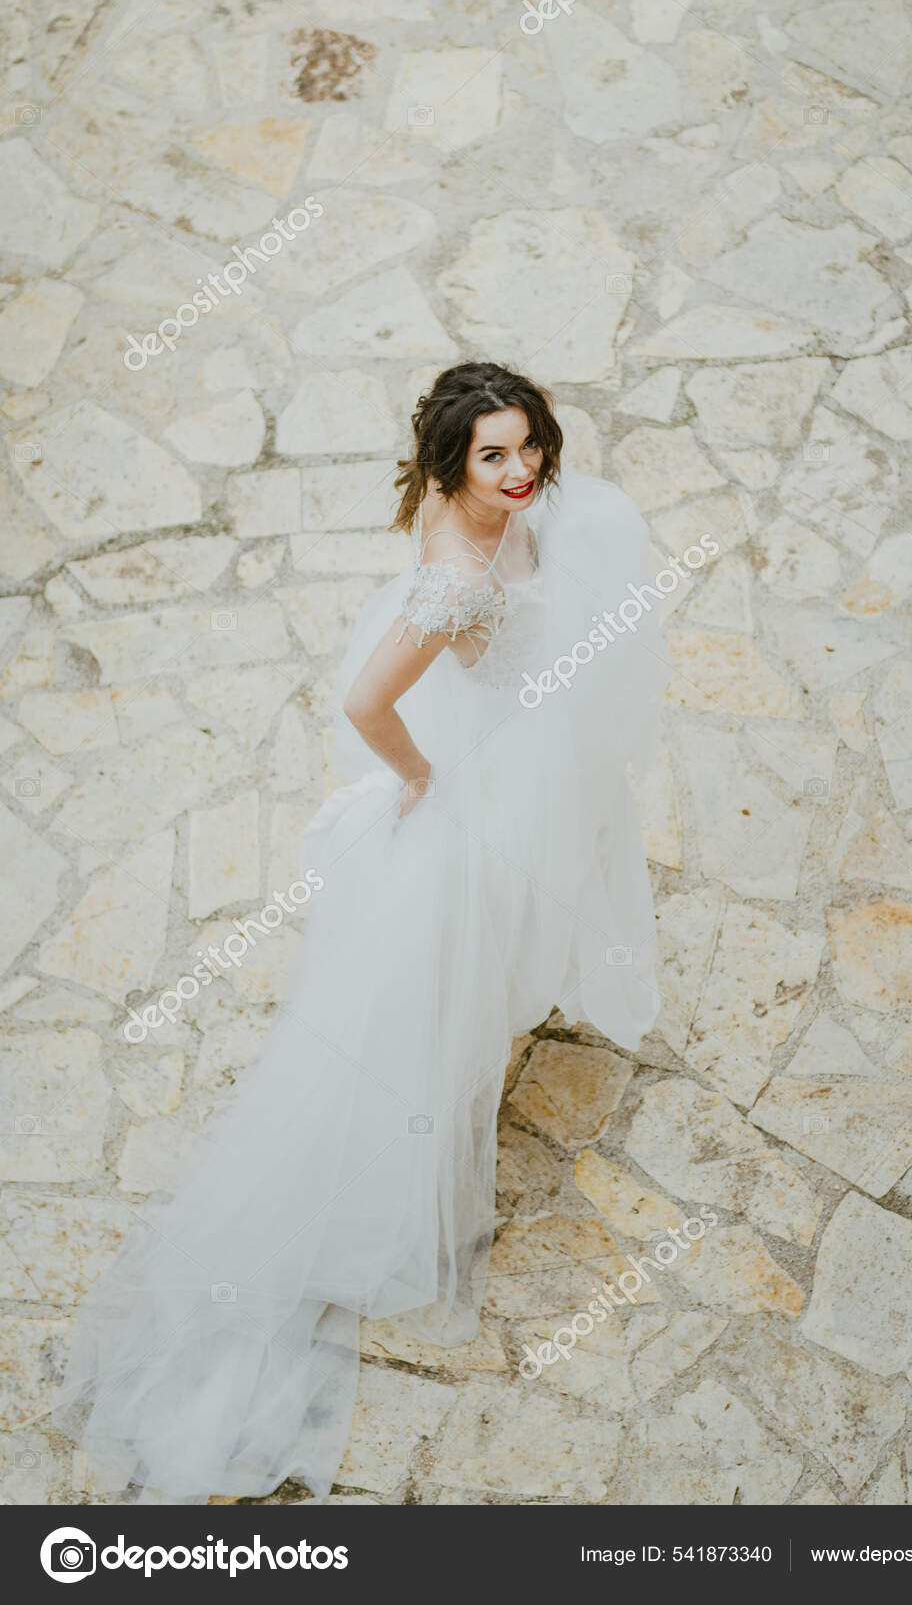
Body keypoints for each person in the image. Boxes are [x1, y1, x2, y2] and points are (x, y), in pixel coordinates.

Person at [52, 362, 668, 1503]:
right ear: (451, 465)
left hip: (512, 738)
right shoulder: (450, 582)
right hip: (475, 777)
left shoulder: (498, 506)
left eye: (528, 442)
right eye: (494, 454)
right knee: (443, 975)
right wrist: (425, 780)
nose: (522, 468)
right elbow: (366, 705)